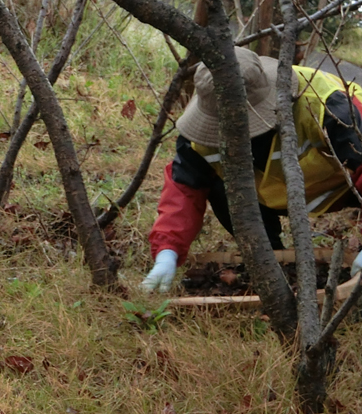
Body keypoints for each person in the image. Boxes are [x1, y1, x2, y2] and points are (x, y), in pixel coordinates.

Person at [141, 46, 362, 292]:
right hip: (276, 195)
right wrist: (167, 252)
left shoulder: (329, 106)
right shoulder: (199, 135)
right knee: (217, 184)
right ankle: (272, 257)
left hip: (346, 187)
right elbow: (184, 188)